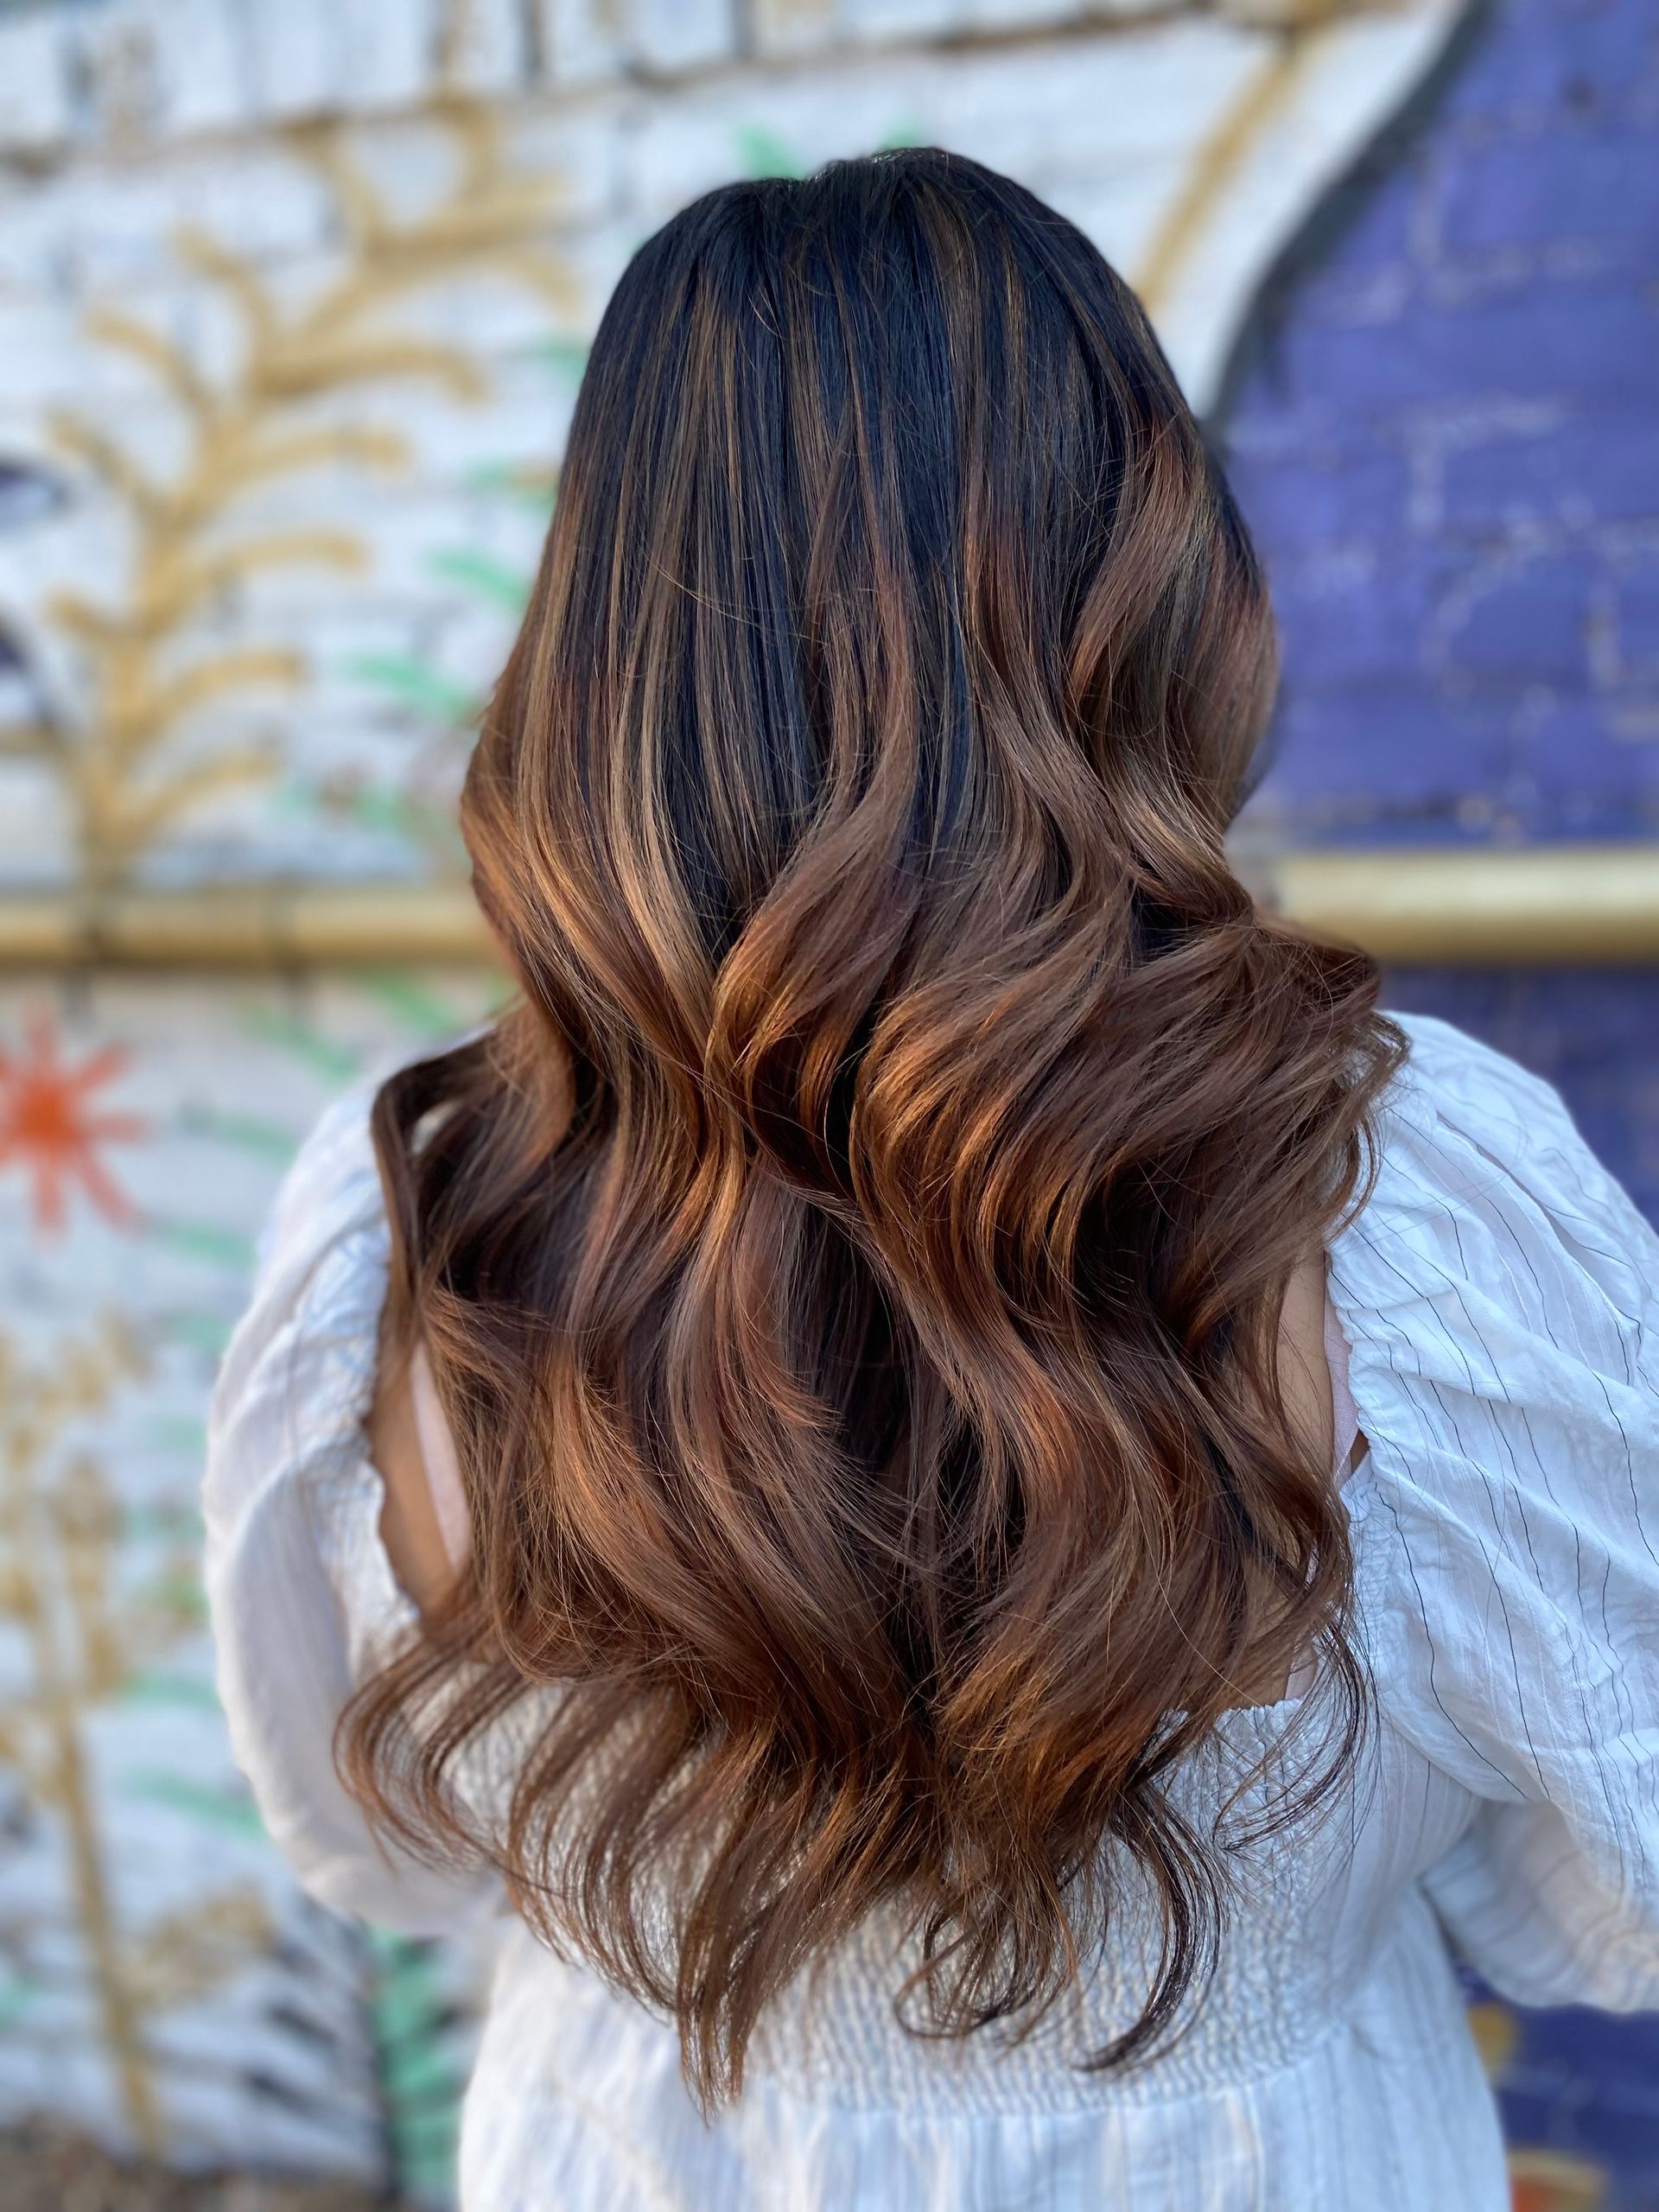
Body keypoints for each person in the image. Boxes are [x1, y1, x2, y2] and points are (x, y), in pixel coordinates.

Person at [204, 150, 1659, 2210]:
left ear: (608, 648)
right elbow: (1620, 1856)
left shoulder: (417, 1240)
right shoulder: (1393, 1216)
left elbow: (381, 1840)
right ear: (1147, 590)